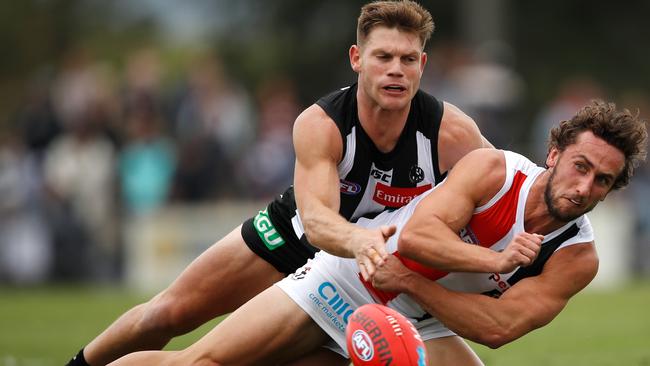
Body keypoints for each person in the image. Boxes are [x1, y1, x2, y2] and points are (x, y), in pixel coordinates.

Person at [66, 1, 492, 365]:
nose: (396, 71)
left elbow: (505, 188)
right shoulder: (321, 123)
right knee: (168, 314)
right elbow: (317, 220)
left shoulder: (451, 132)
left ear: (423, 64)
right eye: (383, 57)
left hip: (372, 276)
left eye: (408, 59)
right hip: (295, 240)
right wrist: (362, 242)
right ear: (356, 58)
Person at [106, 99, 647, 365]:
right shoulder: (495, 170)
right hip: (347, 282)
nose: (584, 186)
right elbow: (418, 239)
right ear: (554, 154)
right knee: (201, 363)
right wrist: (494, 262)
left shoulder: (577, 257)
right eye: (580, 166)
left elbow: (499, 327)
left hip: (419, 315)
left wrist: (414, 288)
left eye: (602, 181)